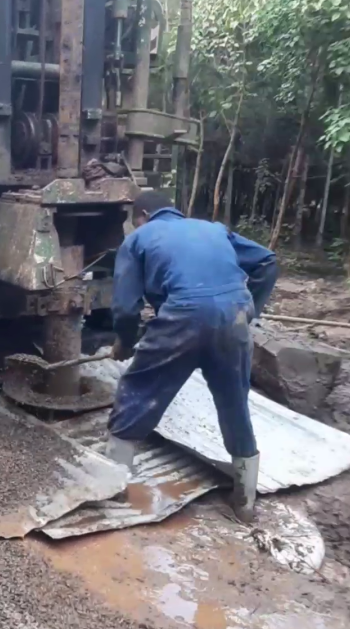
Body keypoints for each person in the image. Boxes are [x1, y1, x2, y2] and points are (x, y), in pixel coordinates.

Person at [107, 190, 278, 523]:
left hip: (183, 316)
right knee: (234, 401)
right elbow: (267, 262)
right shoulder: (213, 229)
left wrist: (125, 342)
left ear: (141, 215)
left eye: (134, 220)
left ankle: (112, 488)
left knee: (138, 391)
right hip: (234, 316)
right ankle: (244, 502)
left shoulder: (139, 238)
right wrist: (248, 309)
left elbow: (125, 308)